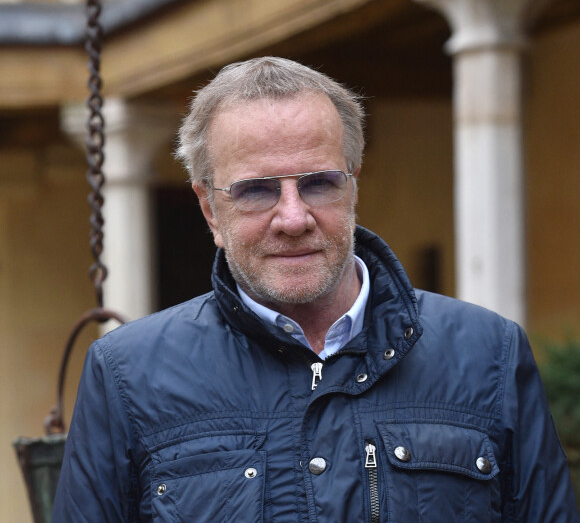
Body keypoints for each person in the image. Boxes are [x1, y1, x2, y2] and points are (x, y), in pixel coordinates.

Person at [53, 56, 578, 522]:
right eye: (256, 190)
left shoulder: (489, 354)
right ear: (210, 209)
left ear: (353, 184)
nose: (293, 217)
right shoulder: (126, 375)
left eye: (318, 183)